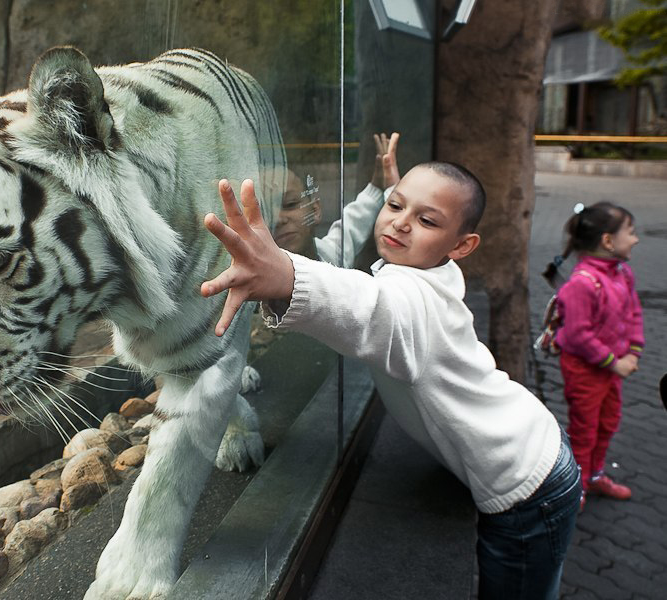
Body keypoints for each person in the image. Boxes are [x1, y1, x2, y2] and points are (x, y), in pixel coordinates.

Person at [200, 164, 581, 599]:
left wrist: (286, 277)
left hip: (529, 490)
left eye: (427, 219)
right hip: (531, 442)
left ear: (462, 245)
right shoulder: (424, 274)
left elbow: (370, 308)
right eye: (396, 204)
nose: (401, 221)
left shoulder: (414, 301)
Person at [544, 202, 643, 508]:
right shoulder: (581, 285)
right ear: (608, 241)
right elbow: (577, 336)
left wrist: (634, 353)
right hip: (587, 370)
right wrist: (615, 363)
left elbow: (634, 313)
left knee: (608, 422)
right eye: (631, 231)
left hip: (612, 369)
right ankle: (577, 484)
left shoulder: (622, 273)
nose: (636, 239)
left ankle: (596, 475)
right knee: (584, 428)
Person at [275, 133, 400, 265]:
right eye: (265, 213)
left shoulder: (329, 255)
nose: (278, 219)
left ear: (315, 210)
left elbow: (351, 226)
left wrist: (379, 186)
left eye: (290, 204)